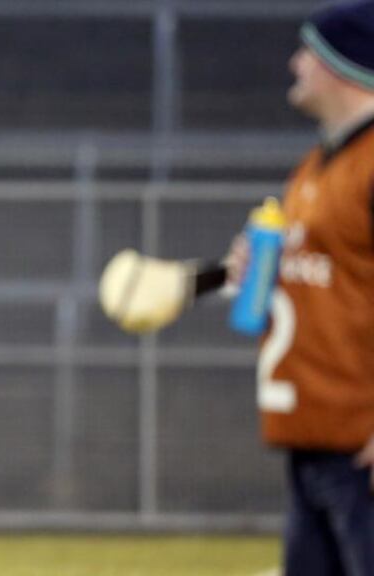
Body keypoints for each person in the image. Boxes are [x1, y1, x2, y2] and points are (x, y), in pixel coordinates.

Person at [225, 2, 374, 574]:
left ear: (343, 64)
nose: (295, 63)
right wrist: (254, 269)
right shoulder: (317, 166)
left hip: (361, 450)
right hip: (315, 445)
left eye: (308, 53)